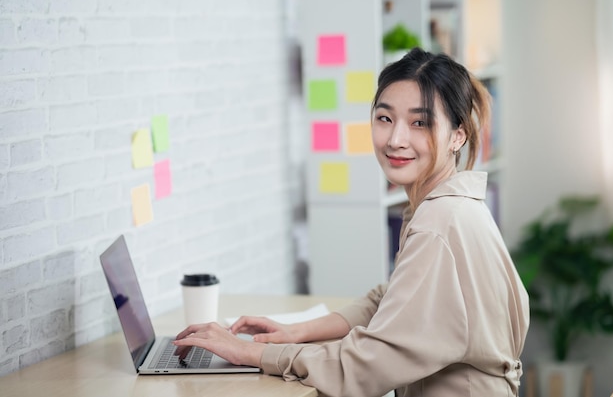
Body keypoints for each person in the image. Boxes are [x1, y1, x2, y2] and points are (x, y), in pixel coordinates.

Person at [174, 47, 530, 397]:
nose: (395, 139)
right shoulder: (445, 205)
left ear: (458, 135)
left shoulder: (439, 222)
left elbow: (368, 365)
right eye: (385, 118)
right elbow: (388, 300)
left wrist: (253, 353)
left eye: (419, 123)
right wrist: (295, 331)